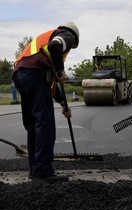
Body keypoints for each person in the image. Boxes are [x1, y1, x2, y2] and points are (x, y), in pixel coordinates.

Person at [12, 22, 80, 184]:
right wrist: (60, 70)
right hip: (34, 75)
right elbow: (55, 46)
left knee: (34, 125)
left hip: (21, 75)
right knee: (45, 124)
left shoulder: (39, 50)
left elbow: (51, 87)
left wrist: (64, 104)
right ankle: (43, 171)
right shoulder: (67, 35)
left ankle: (35, 170)